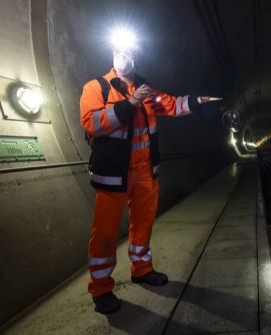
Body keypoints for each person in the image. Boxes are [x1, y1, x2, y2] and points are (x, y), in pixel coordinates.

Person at [79, 43, 221, 314]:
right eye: (120, 50)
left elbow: (171, 105)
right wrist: (130, 103)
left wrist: (197, 101)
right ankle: (101, 289)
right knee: (105, 233)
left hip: (145, 172)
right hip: (113, 175)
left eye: (130, 52)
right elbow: (92, 122)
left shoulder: (147, 89)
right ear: (112, 54)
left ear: (137, 58)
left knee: (143, 225)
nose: (125, 56)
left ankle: (142, 269)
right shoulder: (97, 87)